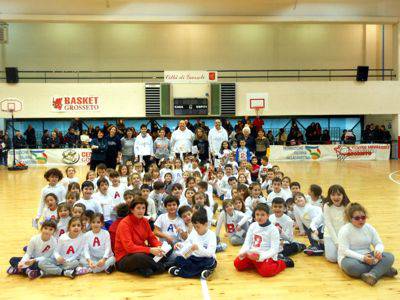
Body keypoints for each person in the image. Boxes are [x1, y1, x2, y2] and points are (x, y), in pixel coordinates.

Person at [338, 203, 397, 286]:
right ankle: (382, 270)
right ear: (350, 218)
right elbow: (344, 250)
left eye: (363, 217)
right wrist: (363, 258)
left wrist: (378, 251)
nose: (361, 220)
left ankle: (372, 274)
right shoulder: (344, 230)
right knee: (351, 267)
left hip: (368, 257)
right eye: (357, 218)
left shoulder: (369, 228)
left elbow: (379, 243)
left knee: (389, 256)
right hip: (350, 259)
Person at [115, 198, 168, 277]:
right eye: (138, 208)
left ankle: (145, 268)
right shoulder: (124, 224)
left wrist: (159, 246)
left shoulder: (144, 221)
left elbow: (151, 238)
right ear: (132, 210)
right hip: (125, 257)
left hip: (142, 252)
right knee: (139, 257)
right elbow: (129, 248)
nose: (141, 211)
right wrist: (150, 250)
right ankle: (162, 267)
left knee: (166, 249)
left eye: (143, 208)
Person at [234, 203, 289, 277]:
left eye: (262, 215)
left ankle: (282, 262)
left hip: (265, 255)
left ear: (267, 216)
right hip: (252, 254)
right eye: (257, 214)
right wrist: (243, 252)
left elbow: (274, 249)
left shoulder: (273, 229)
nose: (259, 217)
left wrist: (260, 257)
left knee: (266, 272)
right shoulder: (253, 225)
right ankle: (257, 265)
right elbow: (247, 242)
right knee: (237, 264)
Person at [168, 208, 217, 280]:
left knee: (211, 262)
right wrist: (180, 245)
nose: (196, 229)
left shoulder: (212, 235)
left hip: (205, 259)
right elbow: (187, 243)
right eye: (194, 227)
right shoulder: (194, 233)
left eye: (198, 227)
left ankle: (179, 272)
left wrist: (199, 248)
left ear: (205, 224)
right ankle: (202, 272)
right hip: (193, 257)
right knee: (178, 259)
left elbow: (210, 253)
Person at [323, 185, 350, 263]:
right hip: (330, 234)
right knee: (332, 258)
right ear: (329, 196)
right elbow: (329, 225)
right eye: (333, 195)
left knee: (346, 254)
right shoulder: (327, 206)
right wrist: (337, 242)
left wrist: (342, 240)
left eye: (339, 194)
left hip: (343, 234)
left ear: (343, 195)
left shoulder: (347, 206)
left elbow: (347, 225)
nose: (336, 197)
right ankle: (323, 244)